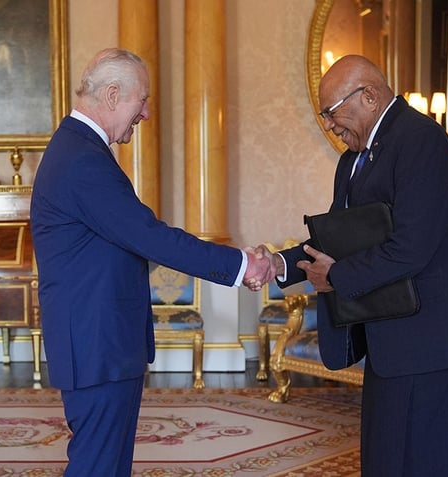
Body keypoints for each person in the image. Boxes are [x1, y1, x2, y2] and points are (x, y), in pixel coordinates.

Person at [30, 48, 273, 476]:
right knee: (98, 467)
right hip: (96, 344)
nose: (145, 114)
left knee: (108, 465)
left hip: (99, 341)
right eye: (141, 100)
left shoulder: (79, 149)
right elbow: (149, 236)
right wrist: (242, 265)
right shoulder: (82, 160)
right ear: (111, 95)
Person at [257, 55, 448, 475]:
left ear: (368, 95)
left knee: (434, 464)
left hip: (438, 341)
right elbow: (340, 237)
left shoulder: (422, 140)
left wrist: (336, 277)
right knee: (387, 462)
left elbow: (411, 247)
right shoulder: (352, 159)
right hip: (393, 340)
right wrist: (281, 263)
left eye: (332, 112)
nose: (329, 125)